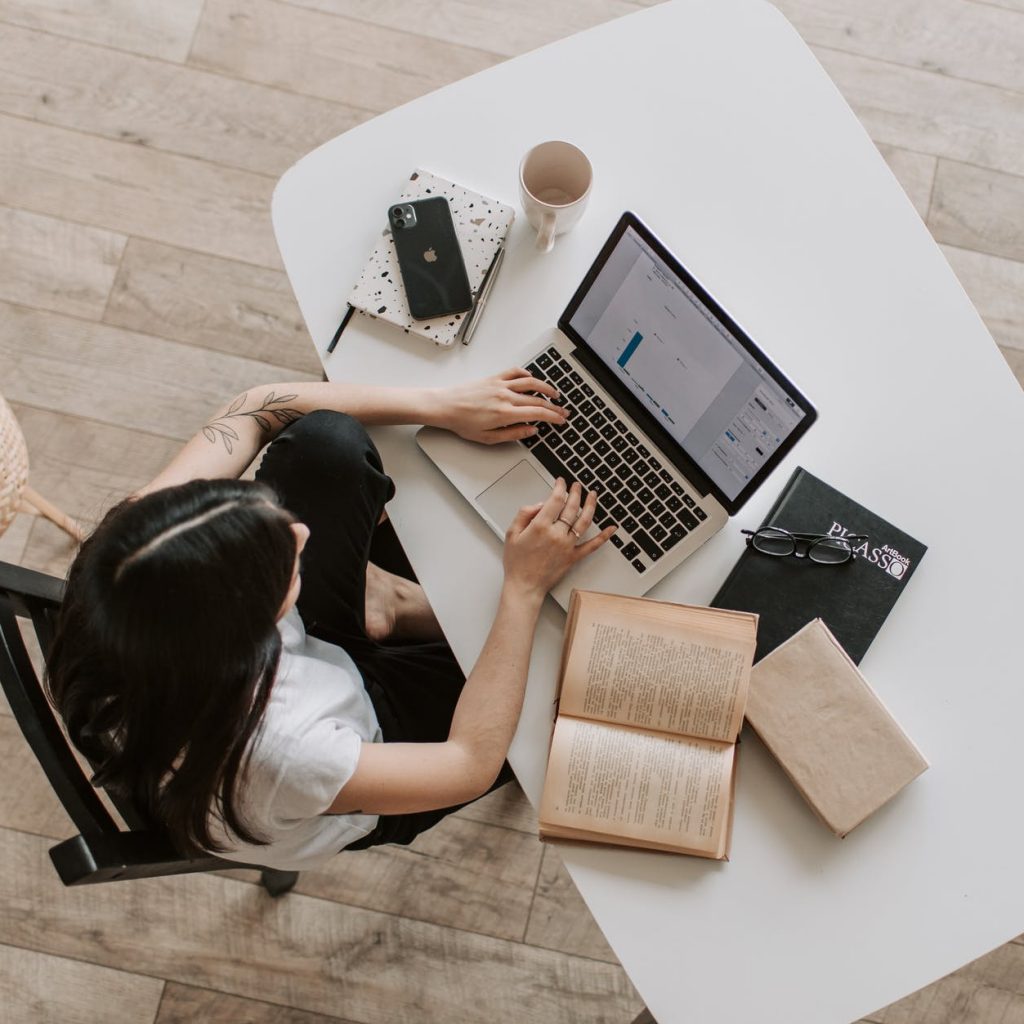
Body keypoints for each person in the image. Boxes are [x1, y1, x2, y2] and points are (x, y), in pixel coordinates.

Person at [46, 368, 614, 871]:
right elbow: (467, 763)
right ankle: (391, 609)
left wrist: (440, 404)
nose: (300, 532)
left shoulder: (131, 559)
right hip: (366, 749)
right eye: (282, 564)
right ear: (250, 633)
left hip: (271, 681)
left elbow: (254, 408)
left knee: (324, 443)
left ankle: (383, 607)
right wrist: (521, 589)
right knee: (568, 678)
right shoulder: (288, 752)